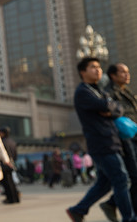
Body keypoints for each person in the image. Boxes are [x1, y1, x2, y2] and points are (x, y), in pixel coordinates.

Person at [66, 57, 136, 222]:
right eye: (92, 67)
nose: (97, 70)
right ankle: (129, 218)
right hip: (101, 142)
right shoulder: (83, 92)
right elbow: (107, 106)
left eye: (98, 67)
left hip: (112, 141)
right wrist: (108, 107)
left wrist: (109, 108)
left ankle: (78, 210)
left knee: (104, 183)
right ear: (83, 72)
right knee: (122, 179)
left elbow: (118, 109)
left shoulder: (99, 90)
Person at [99, 64, 137, 221]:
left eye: (128, 72)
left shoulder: (127, 92)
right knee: (134, 176)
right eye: (123, 72)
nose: (127, 75)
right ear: (113, 76)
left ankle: (112, 203)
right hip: (124, 139)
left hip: (134, 136)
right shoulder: (109, 93)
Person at [0, 127, 20, 204]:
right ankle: (16, 198)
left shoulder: (2, 142)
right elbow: (15, 155)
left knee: (6, 183)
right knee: (11, 182)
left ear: (3, 133)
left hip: (4, 164)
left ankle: (10, 198)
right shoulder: (12, 142)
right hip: (11, 163)